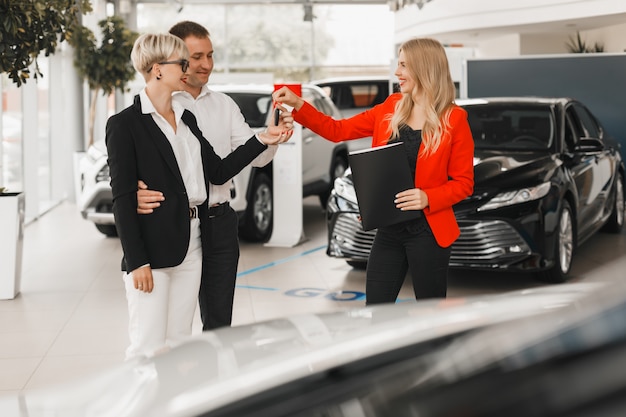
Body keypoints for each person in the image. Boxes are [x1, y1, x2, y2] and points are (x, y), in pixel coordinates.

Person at [107, 32, 291, 360]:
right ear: (157, 70)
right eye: (182, 62)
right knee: (147, 347)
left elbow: (218, 171)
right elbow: (122, 198)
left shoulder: (186, 119)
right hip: (153, 247)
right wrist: (137, 261)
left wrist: (263, 138)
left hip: (192, 244)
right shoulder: (125, 124)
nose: (189, 68)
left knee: (179, 342)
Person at [273, 37, 474, 304]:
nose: (397, 72)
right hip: (389, 229)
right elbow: (337, 130)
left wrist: (428, 197)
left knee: (431, 311)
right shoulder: (391, 107)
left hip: (429, 231)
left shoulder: (454, 119)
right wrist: (298, 105)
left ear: (424, 68)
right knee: (376, 307)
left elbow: (464, 183)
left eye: (404, 65)